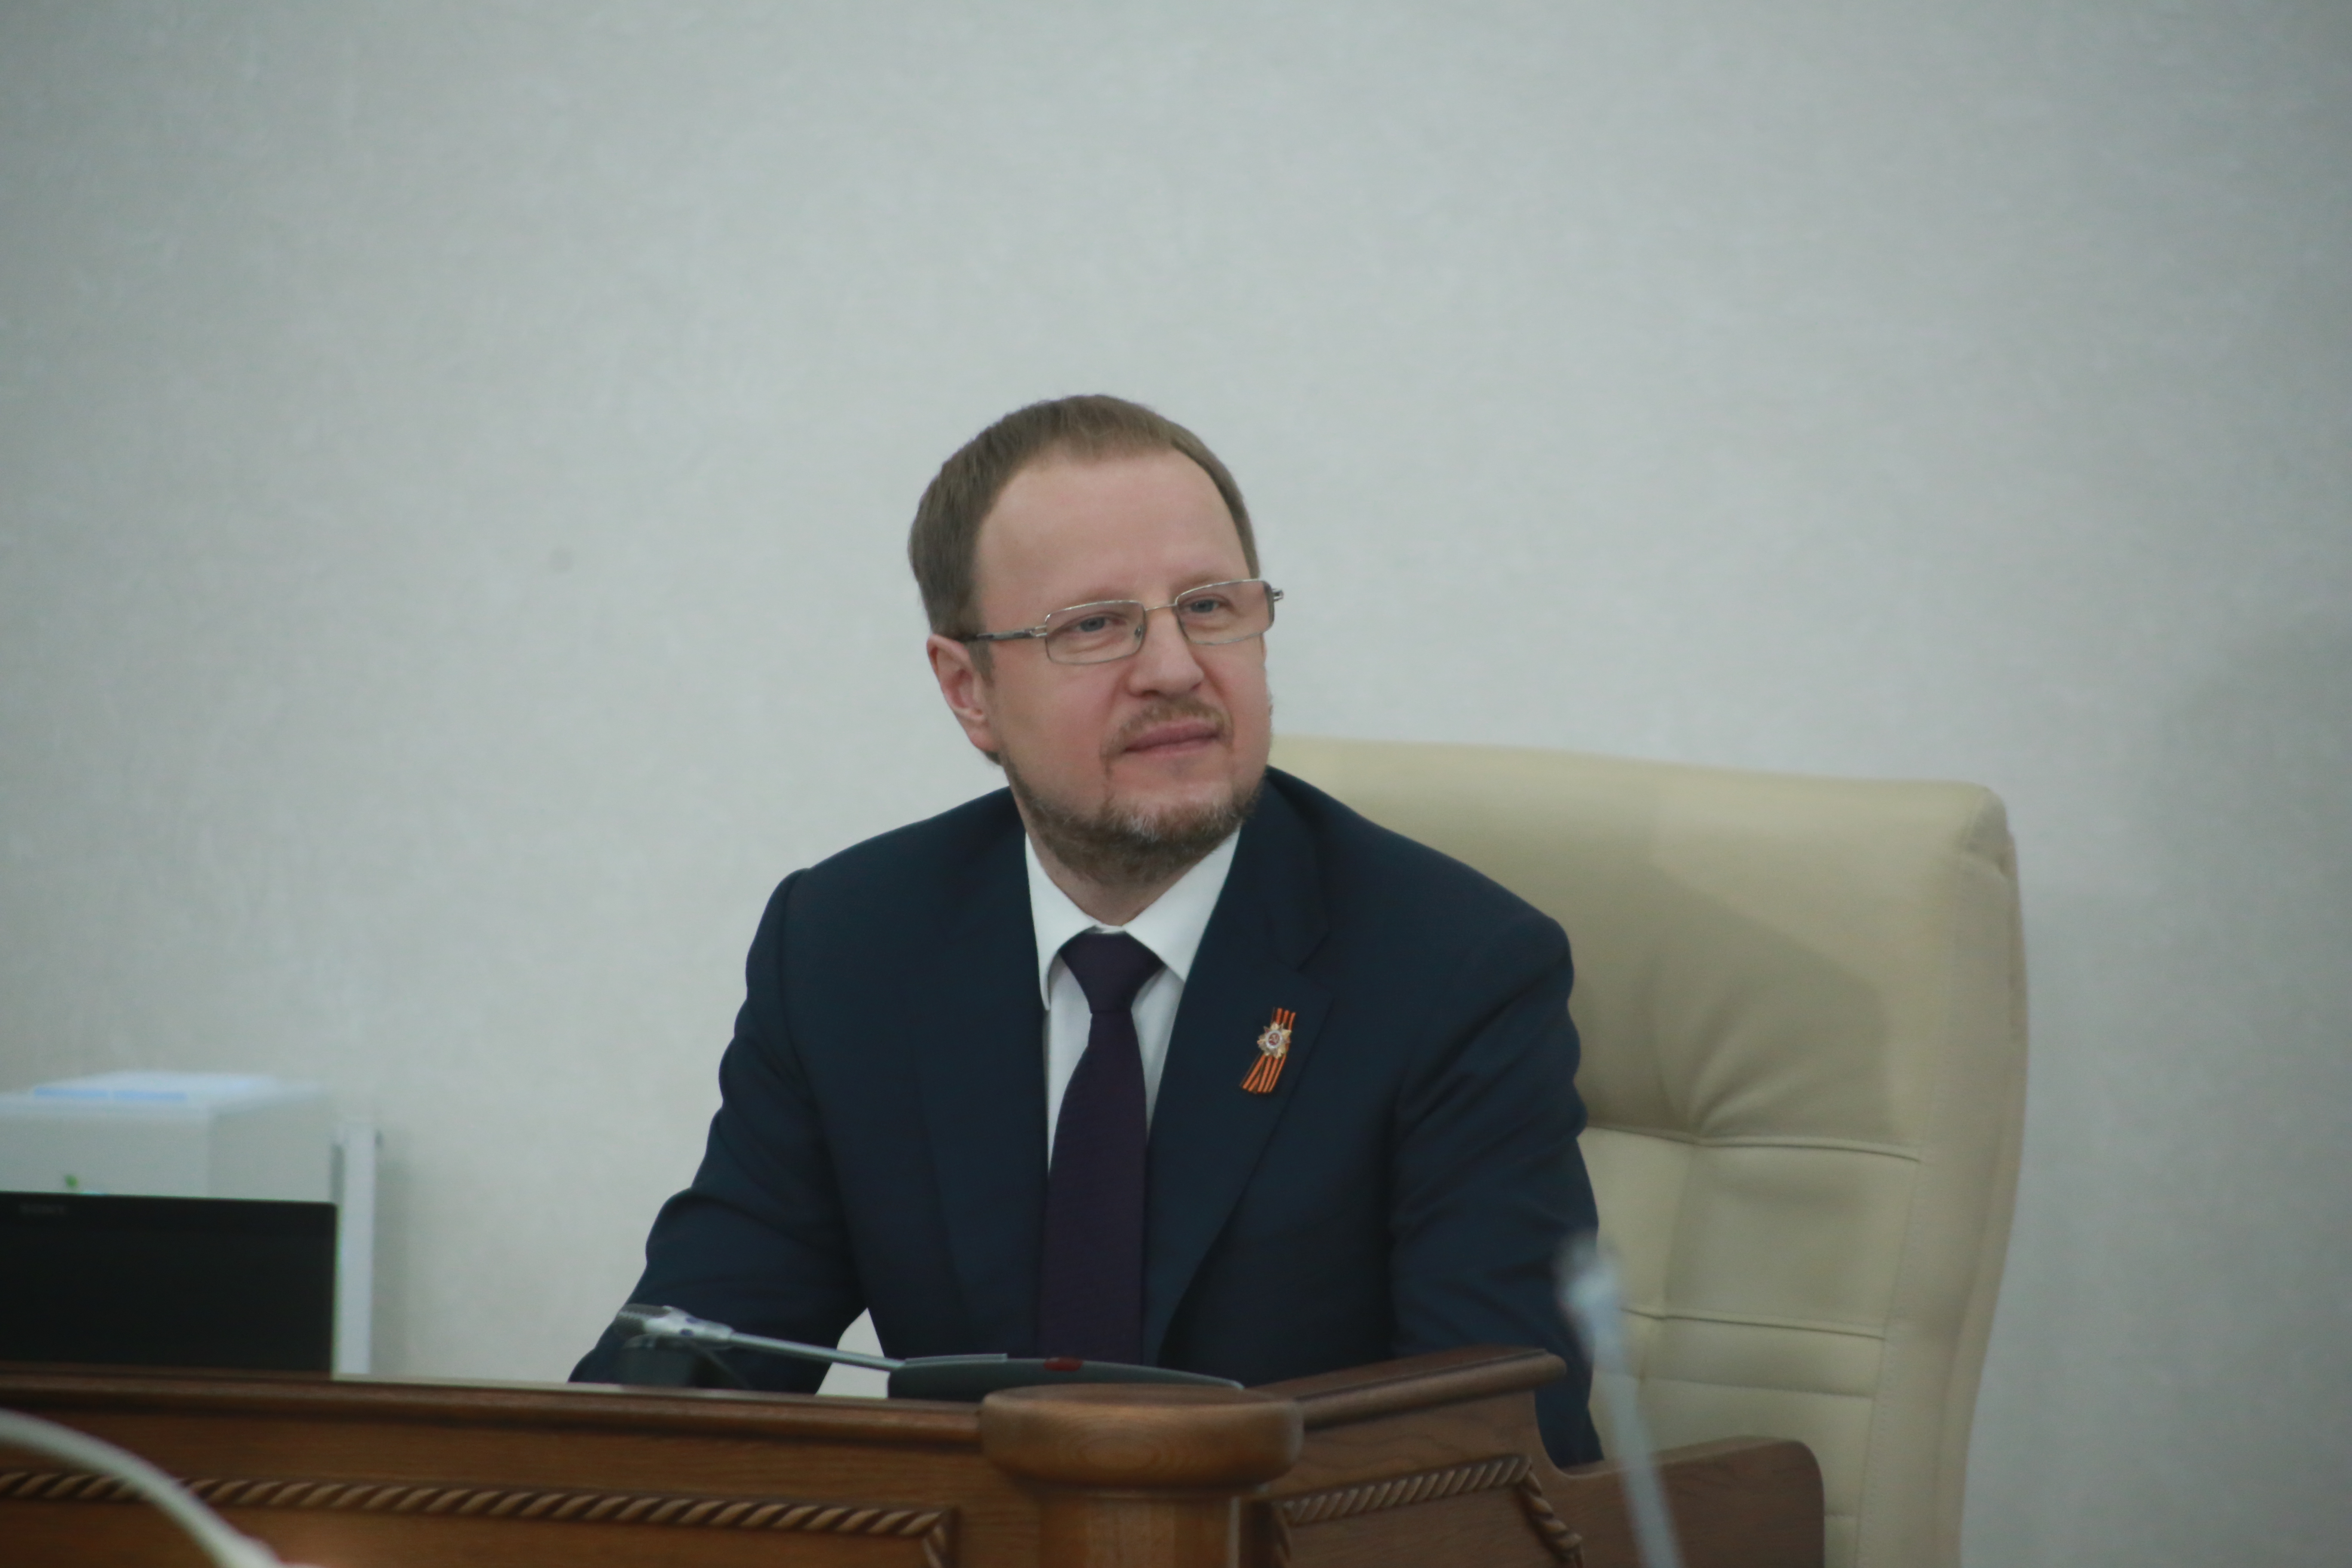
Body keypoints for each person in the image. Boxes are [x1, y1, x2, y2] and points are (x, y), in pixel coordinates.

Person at [572, 394, 1603, 1464]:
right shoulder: (848, 947)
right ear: (969, 690)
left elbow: (1495, 1449)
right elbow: (694, 1360)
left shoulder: (1454, 971)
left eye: (1210, 607)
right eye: (1095, 626)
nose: (1175, 668)